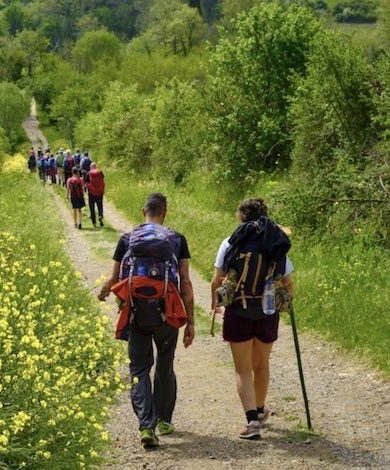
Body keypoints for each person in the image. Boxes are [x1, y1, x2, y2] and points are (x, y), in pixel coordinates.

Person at [98, 193, 195, 449]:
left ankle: (146, 426)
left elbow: (114, 278)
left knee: (139, 368)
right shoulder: (176, 239)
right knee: (165, 363)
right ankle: (164, 420)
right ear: (165, 212)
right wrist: (191, 322)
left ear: (144, 212)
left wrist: (102, 293)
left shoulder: (128, 239)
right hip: (168, 314)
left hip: (137, 313)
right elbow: (185, 282)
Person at [210, 198, 294, 440]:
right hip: (268, 313)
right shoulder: (276, 242)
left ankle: (252, 422)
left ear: (241, 217)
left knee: (243, 369)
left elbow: (218, 279)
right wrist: (285, 299)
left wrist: (215, 304)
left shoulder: (230, 242)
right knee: (261, 364)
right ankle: (259, 409)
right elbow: (288, 284)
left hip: (239, 310)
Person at [85, 162, 104, 227]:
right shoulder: (100, 172)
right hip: (100, 192)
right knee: (100, 205)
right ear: (96, 167)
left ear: (90, 167)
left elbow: (86, 183)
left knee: (92, 207)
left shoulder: (88, 173)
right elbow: (102, 180)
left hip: (91, 193)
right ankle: (100, 216)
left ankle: (94, 222)